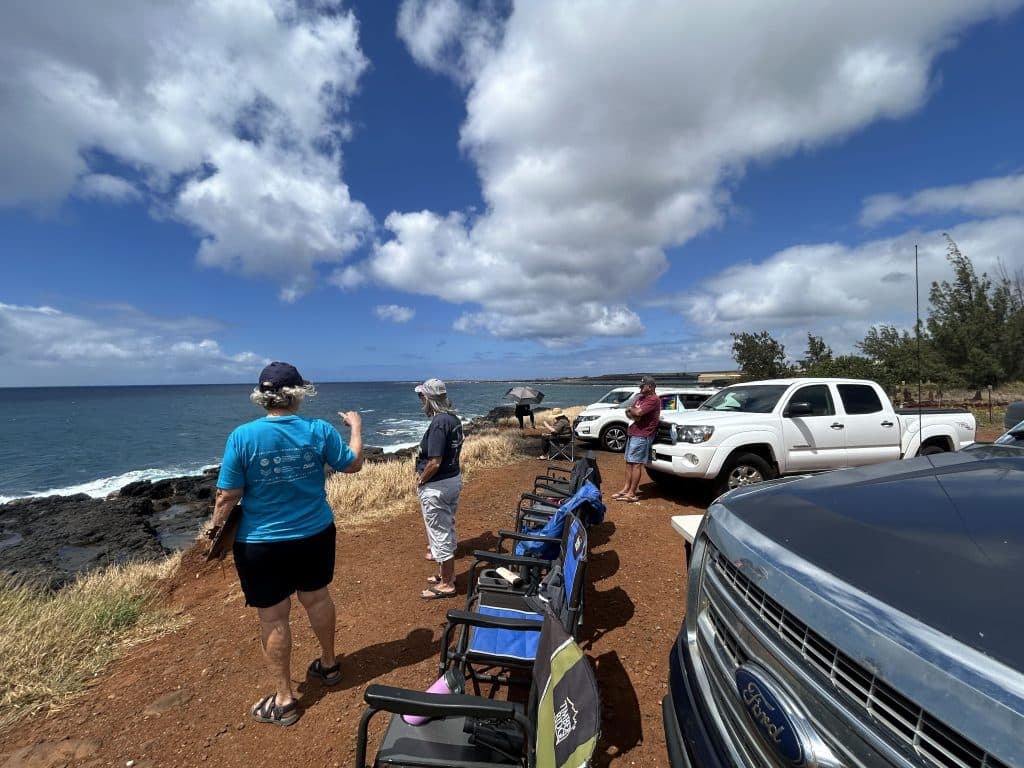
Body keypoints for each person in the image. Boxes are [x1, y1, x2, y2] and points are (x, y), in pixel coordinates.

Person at [208, 362, 363, 727]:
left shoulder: (243, 437)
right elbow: (353, 464)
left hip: (262, 543)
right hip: (314, 533)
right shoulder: (319, 430)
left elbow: (227, 495)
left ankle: (285, 699)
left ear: (262, 397)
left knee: (273, 616)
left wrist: (215, 533)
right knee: (318, 598)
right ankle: (329, 665)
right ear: (298, 393)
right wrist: (356, 426)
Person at [414, 378, 464, 599]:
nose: (420, 401)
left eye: (422, 397)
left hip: (437, 485)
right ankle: (447, 574)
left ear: (429, 399)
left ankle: (446, 583)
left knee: (439, 533)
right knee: (447, 527)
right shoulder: (453, 419)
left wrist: (421, 480)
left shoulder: (438, 423)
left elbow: (434, 461)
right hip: (452, 479)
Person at [613, 375, 661, 503]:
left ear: (650, 387)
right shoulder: (641, 398)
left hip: (642, 435)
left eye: (642, 385)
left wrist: (633, 411)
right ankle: (626, 488)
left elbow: (638, 413)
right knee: (629, 462)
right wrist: (632, 411)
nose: (640, 387)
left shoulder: (653, 399)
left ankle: (632, 493)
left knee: (636, 464)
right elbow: (628, 412)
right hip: (633, 432)